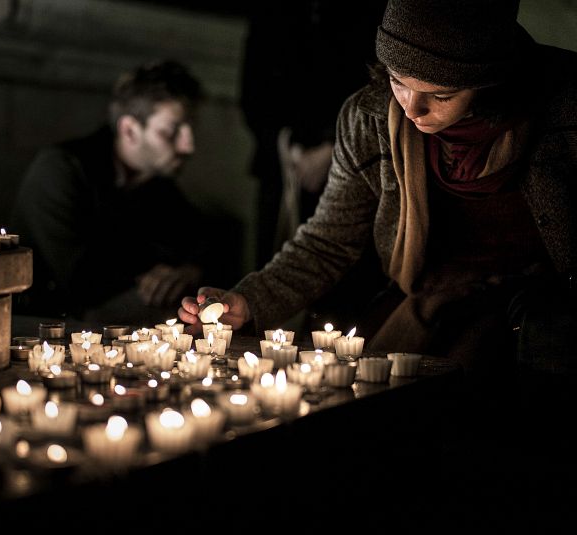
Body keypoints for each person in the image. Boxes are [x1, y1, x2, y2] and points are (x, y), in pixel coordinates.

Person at [181, 0, 576, 402]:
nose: (412, 108)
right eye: (398, 80)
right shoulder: (370, 118)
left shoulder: (566, 112)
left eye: (441, 95)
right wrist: (248, 300)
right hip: (430, 305)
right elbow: (328, 242)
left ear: (490, 83)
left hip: (541, 320)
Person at [11, 60, 221, 325]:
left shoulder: (159, 185)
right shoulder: (60, 169)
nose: (188, 146)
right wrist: (151, 275)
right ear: (130, 130)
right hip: (46, 326)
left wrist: (188, 271)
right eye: (171, 131)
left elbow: (200, 243)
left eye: (190, 129)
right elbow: (80, 280)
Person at [239, 1, 389, 330]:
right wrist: (284, 145)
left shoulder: (371, 12)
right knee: (284, 255)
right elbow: (253, 90)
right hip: (281, 164)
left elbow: (372, 83)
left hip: (351, 151)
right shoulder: (273, 13)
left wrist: (331, 148)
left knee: (347, 296)